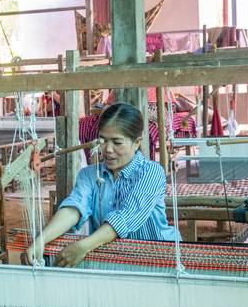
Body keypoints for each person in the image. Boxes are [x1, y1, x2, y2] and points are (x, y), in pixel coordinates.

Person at [27, 103, 180, 267]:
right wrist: (41, 240)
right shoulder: (89, 175)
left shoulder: (151, 172)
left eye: (117, 142)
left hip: (157, 259)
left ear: (136, 143)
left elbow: (126, 216)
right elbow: (74, 208)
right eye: (103, 140)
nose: (107, 149)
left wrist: (83, 246)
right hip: (111, 259)